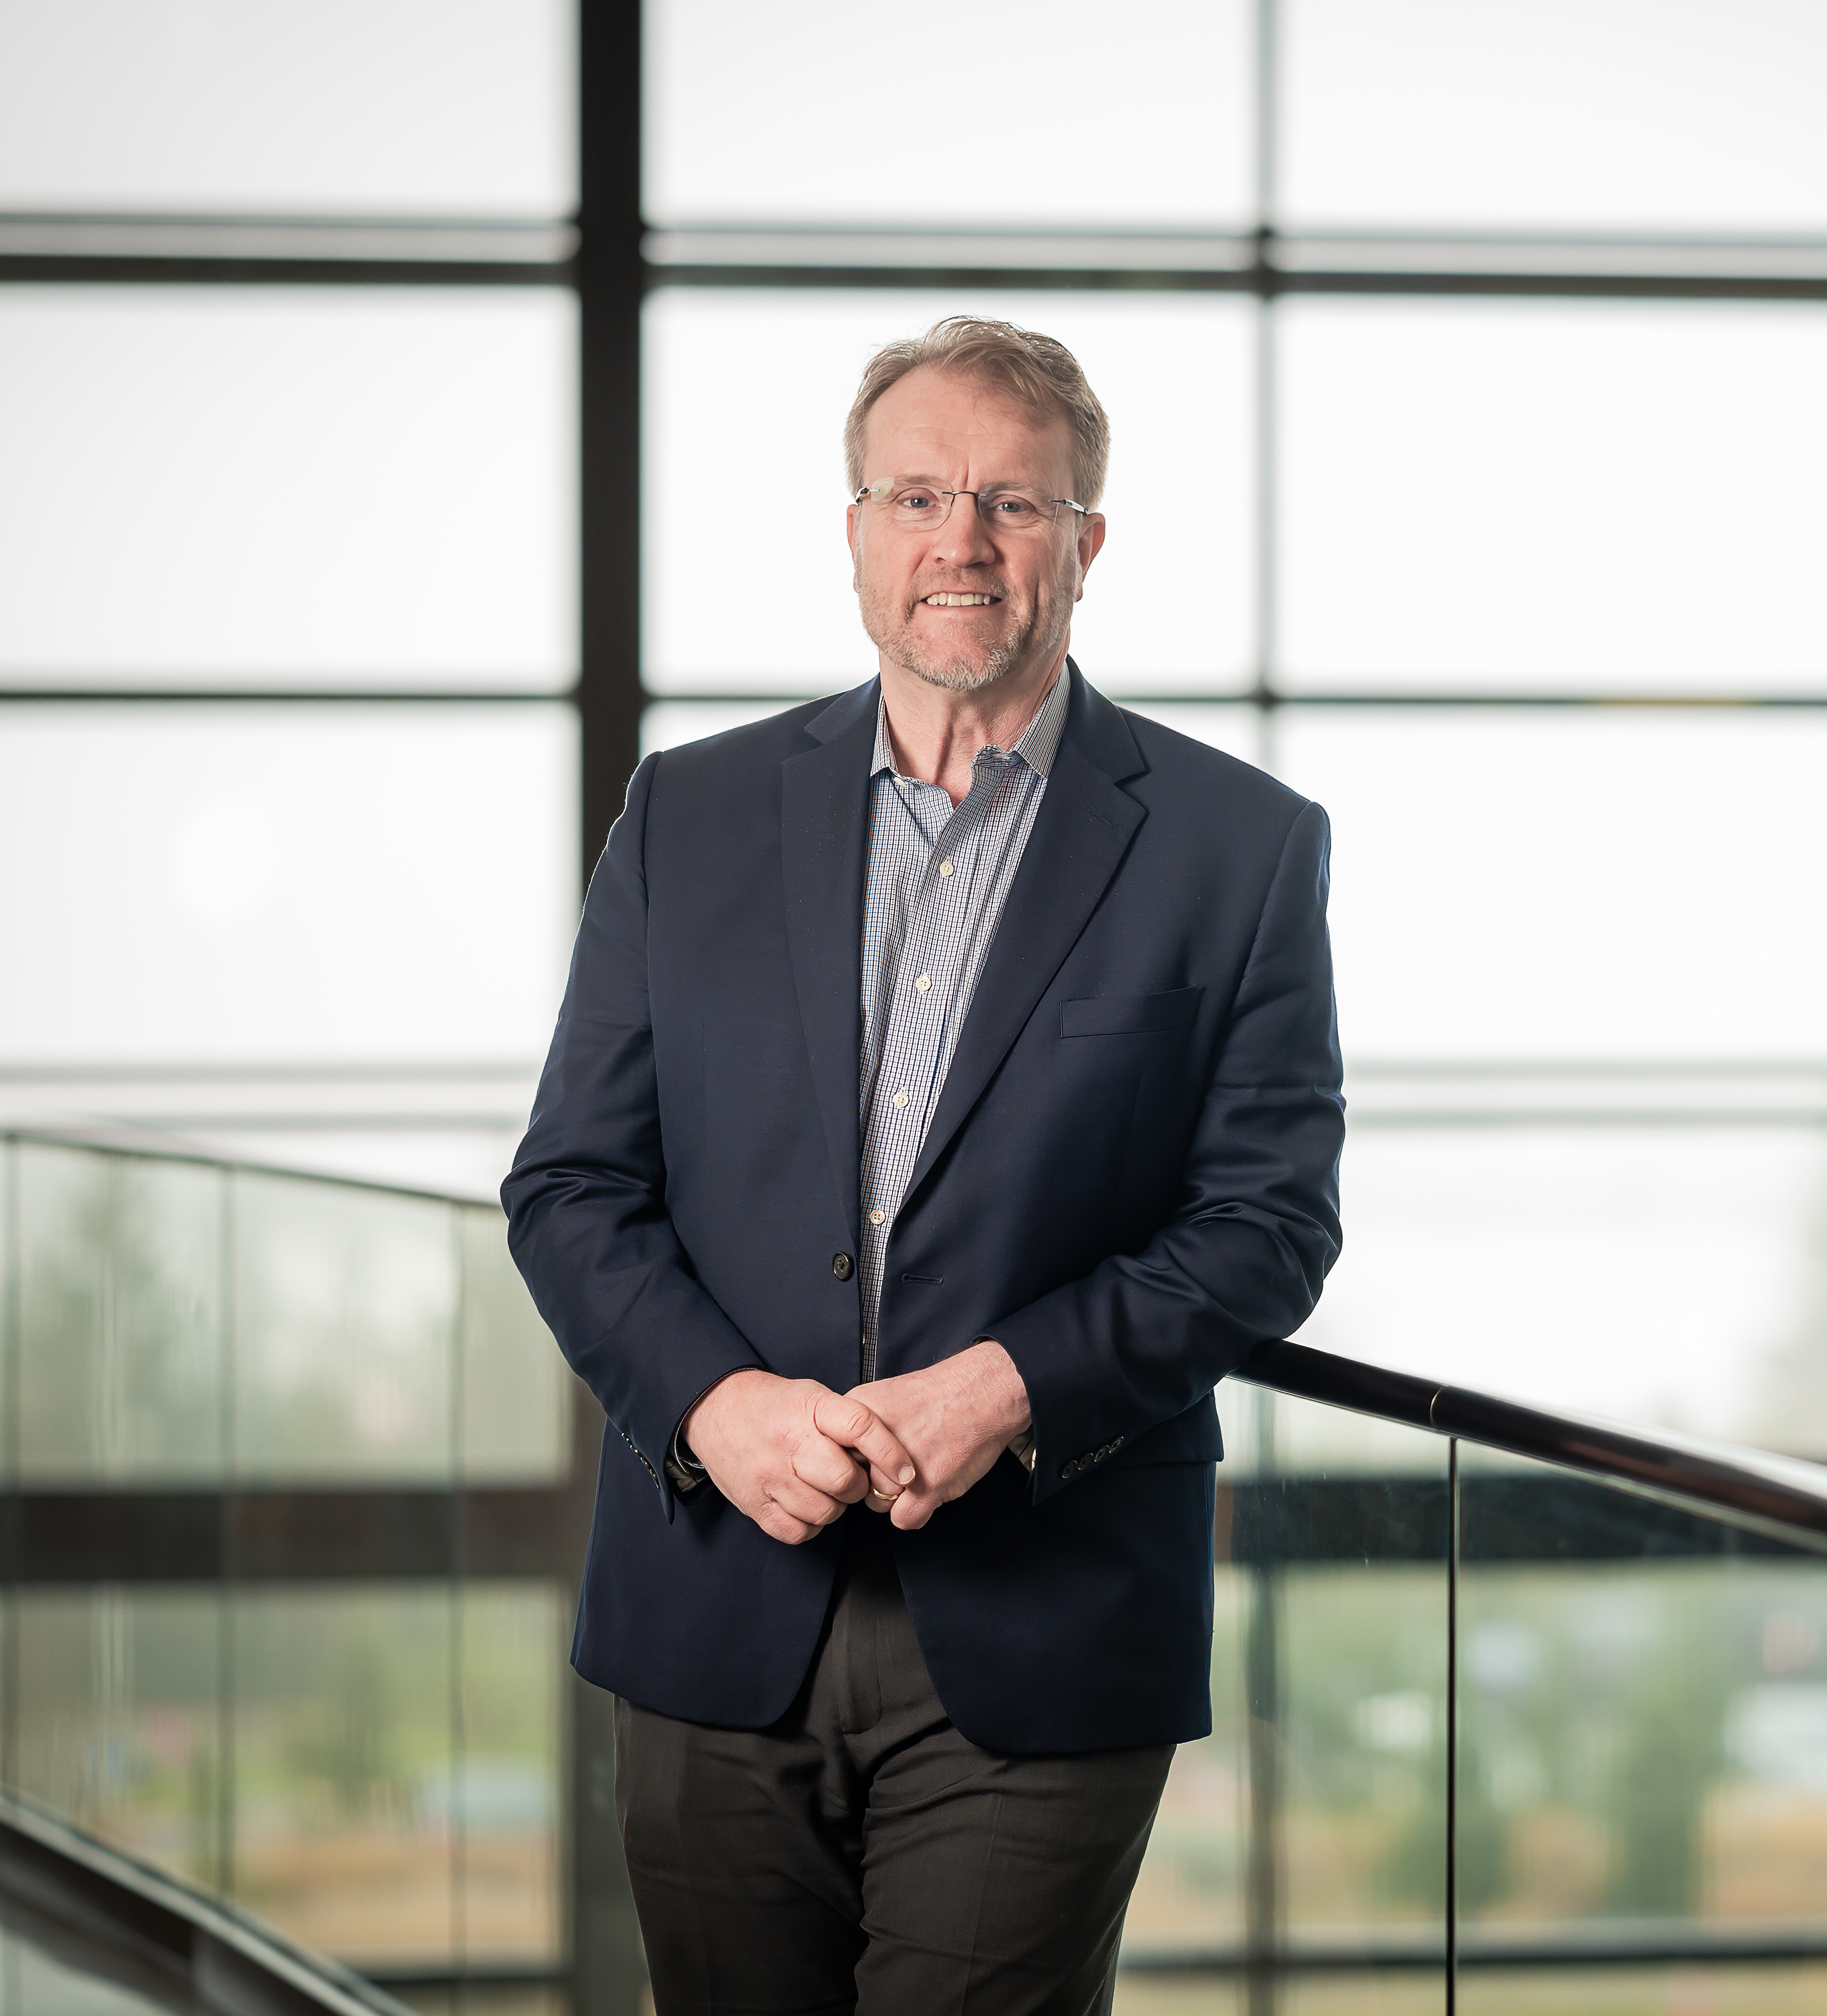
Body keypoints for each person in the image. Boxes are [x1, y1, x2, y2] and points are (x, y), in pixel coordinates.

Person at [503, 315, 1345, 2013]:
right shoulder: (687, 815)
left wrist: (1008, 1390)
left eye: (1013, 503)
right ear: (856, 533)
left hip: (1048, 1615)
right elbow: (571, 1186)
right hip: (714, 1597)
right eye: (916, 498)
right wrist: (717, 1407)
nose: (961, 541)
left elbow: (1268, 1225)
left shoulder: (1239, 847)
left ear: (1086, 543)